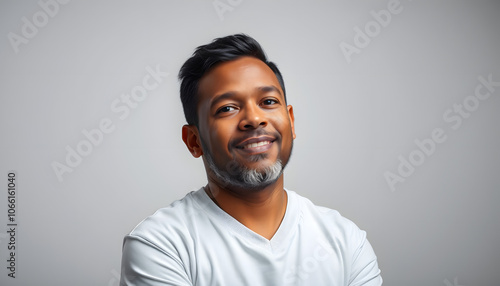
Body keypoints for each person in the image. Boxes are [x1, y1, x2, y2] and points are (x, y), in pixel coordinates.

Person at [119, 34, 382, 285]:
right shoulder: (161, 244)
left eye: (268, 101)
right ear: (194, 141)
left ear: (290, 121)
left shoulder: (346, 241)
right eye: (227, 108)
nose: (255, 119)